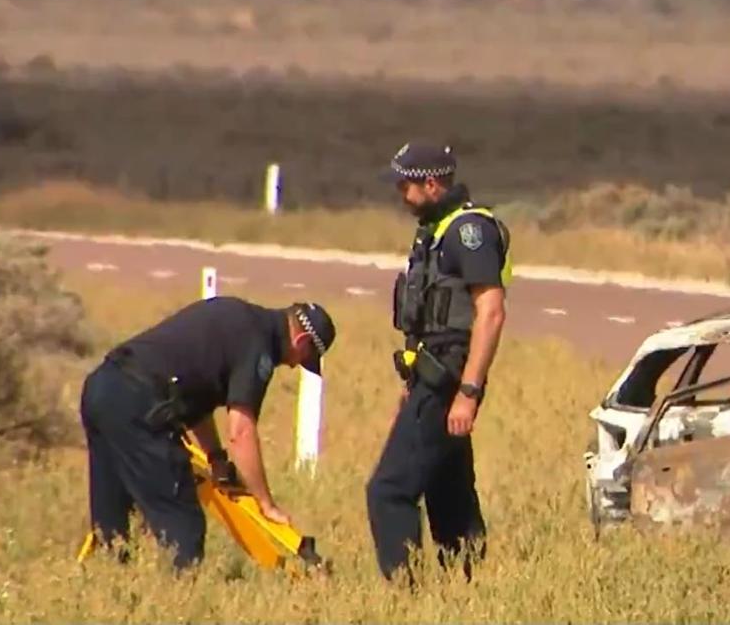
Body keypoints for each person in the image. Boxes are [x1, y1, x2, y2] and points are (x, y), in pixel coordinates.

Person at [79, 297, 335, 569]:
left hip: (102, 388)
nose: (295, 366)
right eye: (304, 360)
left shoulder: (237, 315)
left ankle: (106, 589)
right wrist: (266, 503)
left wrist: (215, 457)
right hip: (139, 406)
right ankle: (179, 602)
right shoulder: (260, 348)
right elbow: (241, 431)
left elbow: (195, 400)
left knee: (112, 525)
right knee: (183, 529)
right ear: (302, 341)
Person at [366, 140, 511, 582]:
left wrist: (469, 392)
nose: (400, 195)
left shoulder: (469, 232)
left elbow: (491, 311)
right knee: (448, 492)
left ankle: (405, 596)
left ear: (430, 184)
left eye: (404, 186)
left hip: (448, 378)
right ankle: (467, 586)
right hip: (432, 375)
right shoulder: (437, 229)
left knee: (389, 491)